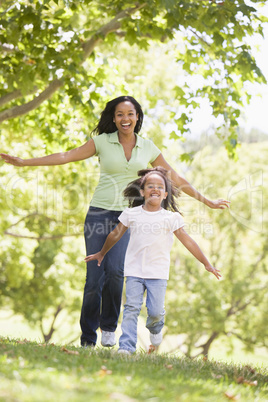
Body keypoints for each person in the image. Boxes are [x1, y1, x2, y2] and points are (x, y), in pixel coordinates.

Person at [0, 95, 229, 348]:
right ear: (114, 118)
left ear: (137, 117)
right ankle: (88, 337)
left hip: (128, 219)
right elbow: (67, 156)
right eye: (120, 114)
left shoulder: (148, 147)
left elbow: (175, 177)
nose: (125, 119)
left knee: (117, 273)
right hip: (98, 213)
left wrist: (206, 200)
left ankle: (108, 327)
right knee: (93, 278)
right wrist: (25, 162)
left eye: (130, 114)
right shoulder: (102, 142)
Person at [85, 167, 221, 355]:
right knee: (131, 308)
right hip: (134, 272)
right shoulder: (131, 213)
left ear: (165, 194)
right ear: (142, 192)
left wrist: (206, 263)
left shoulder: (170, 218)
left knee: (155, 312)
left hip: (157, 274)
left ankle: (155, 328)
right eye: (150, 186)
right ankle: (126, 347)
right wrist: (101, 253)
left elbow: (188, 241)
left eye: (159, 186)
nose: (155, 189)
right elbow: (114, 235)